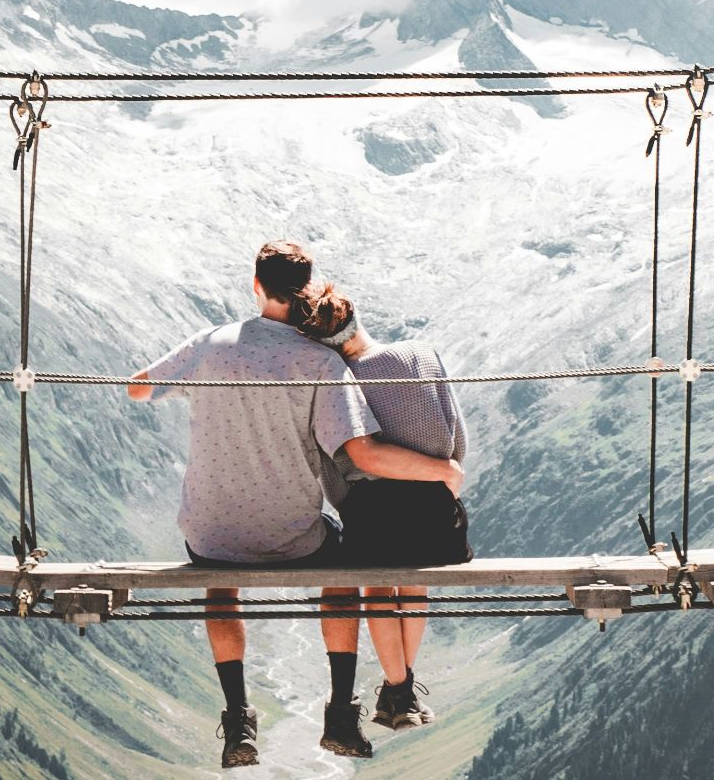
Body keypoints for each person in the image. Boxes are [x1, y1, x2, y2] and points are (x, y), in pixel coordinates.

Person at [127, 241, 465, 769]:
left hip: (210, 532)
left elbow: (137, 389)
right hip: (293, 536)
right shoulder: (320, 361)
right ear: (305, 288)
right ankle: (341, 713)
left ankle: (238, 719)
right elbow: (361, 452)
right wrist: (443, 470)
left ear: (255, 285)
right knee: (344, 569)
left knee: (220, 581)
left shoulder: (210, 345)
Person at [303, 292, 470, 732]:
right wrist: (441, 478)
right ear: (355, 317)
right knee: (415, 584)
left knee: (378, 586)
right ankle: (401, 690)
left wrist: (349, 503)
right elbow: (457, 441)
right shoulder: (421, 355)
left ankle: (399, 688)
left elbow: (333, 467)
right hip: (435, 510)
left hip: (371, 511)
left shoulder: (336, 380)